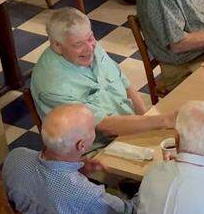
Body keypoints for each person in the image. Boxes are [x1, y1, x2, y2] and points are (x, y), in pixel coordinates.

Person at [2, 103, 138, 214]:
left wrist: (79, 169)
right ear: (81, 145)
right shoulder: (87, 196)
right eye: (93, 129)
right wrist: (153, 183)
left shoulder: (15, 158)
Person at [30, 8, 173, 138]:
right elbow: (105, 127)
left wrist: (146, 119)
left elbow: (125, 84)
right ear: (57, 46)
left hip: (129, 126)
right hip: (98, 147)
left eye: (90, 38)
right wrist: (161, 122)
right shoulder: (53, 85)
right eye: (78, 44)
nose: (89, 48)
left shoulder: (91, 46)